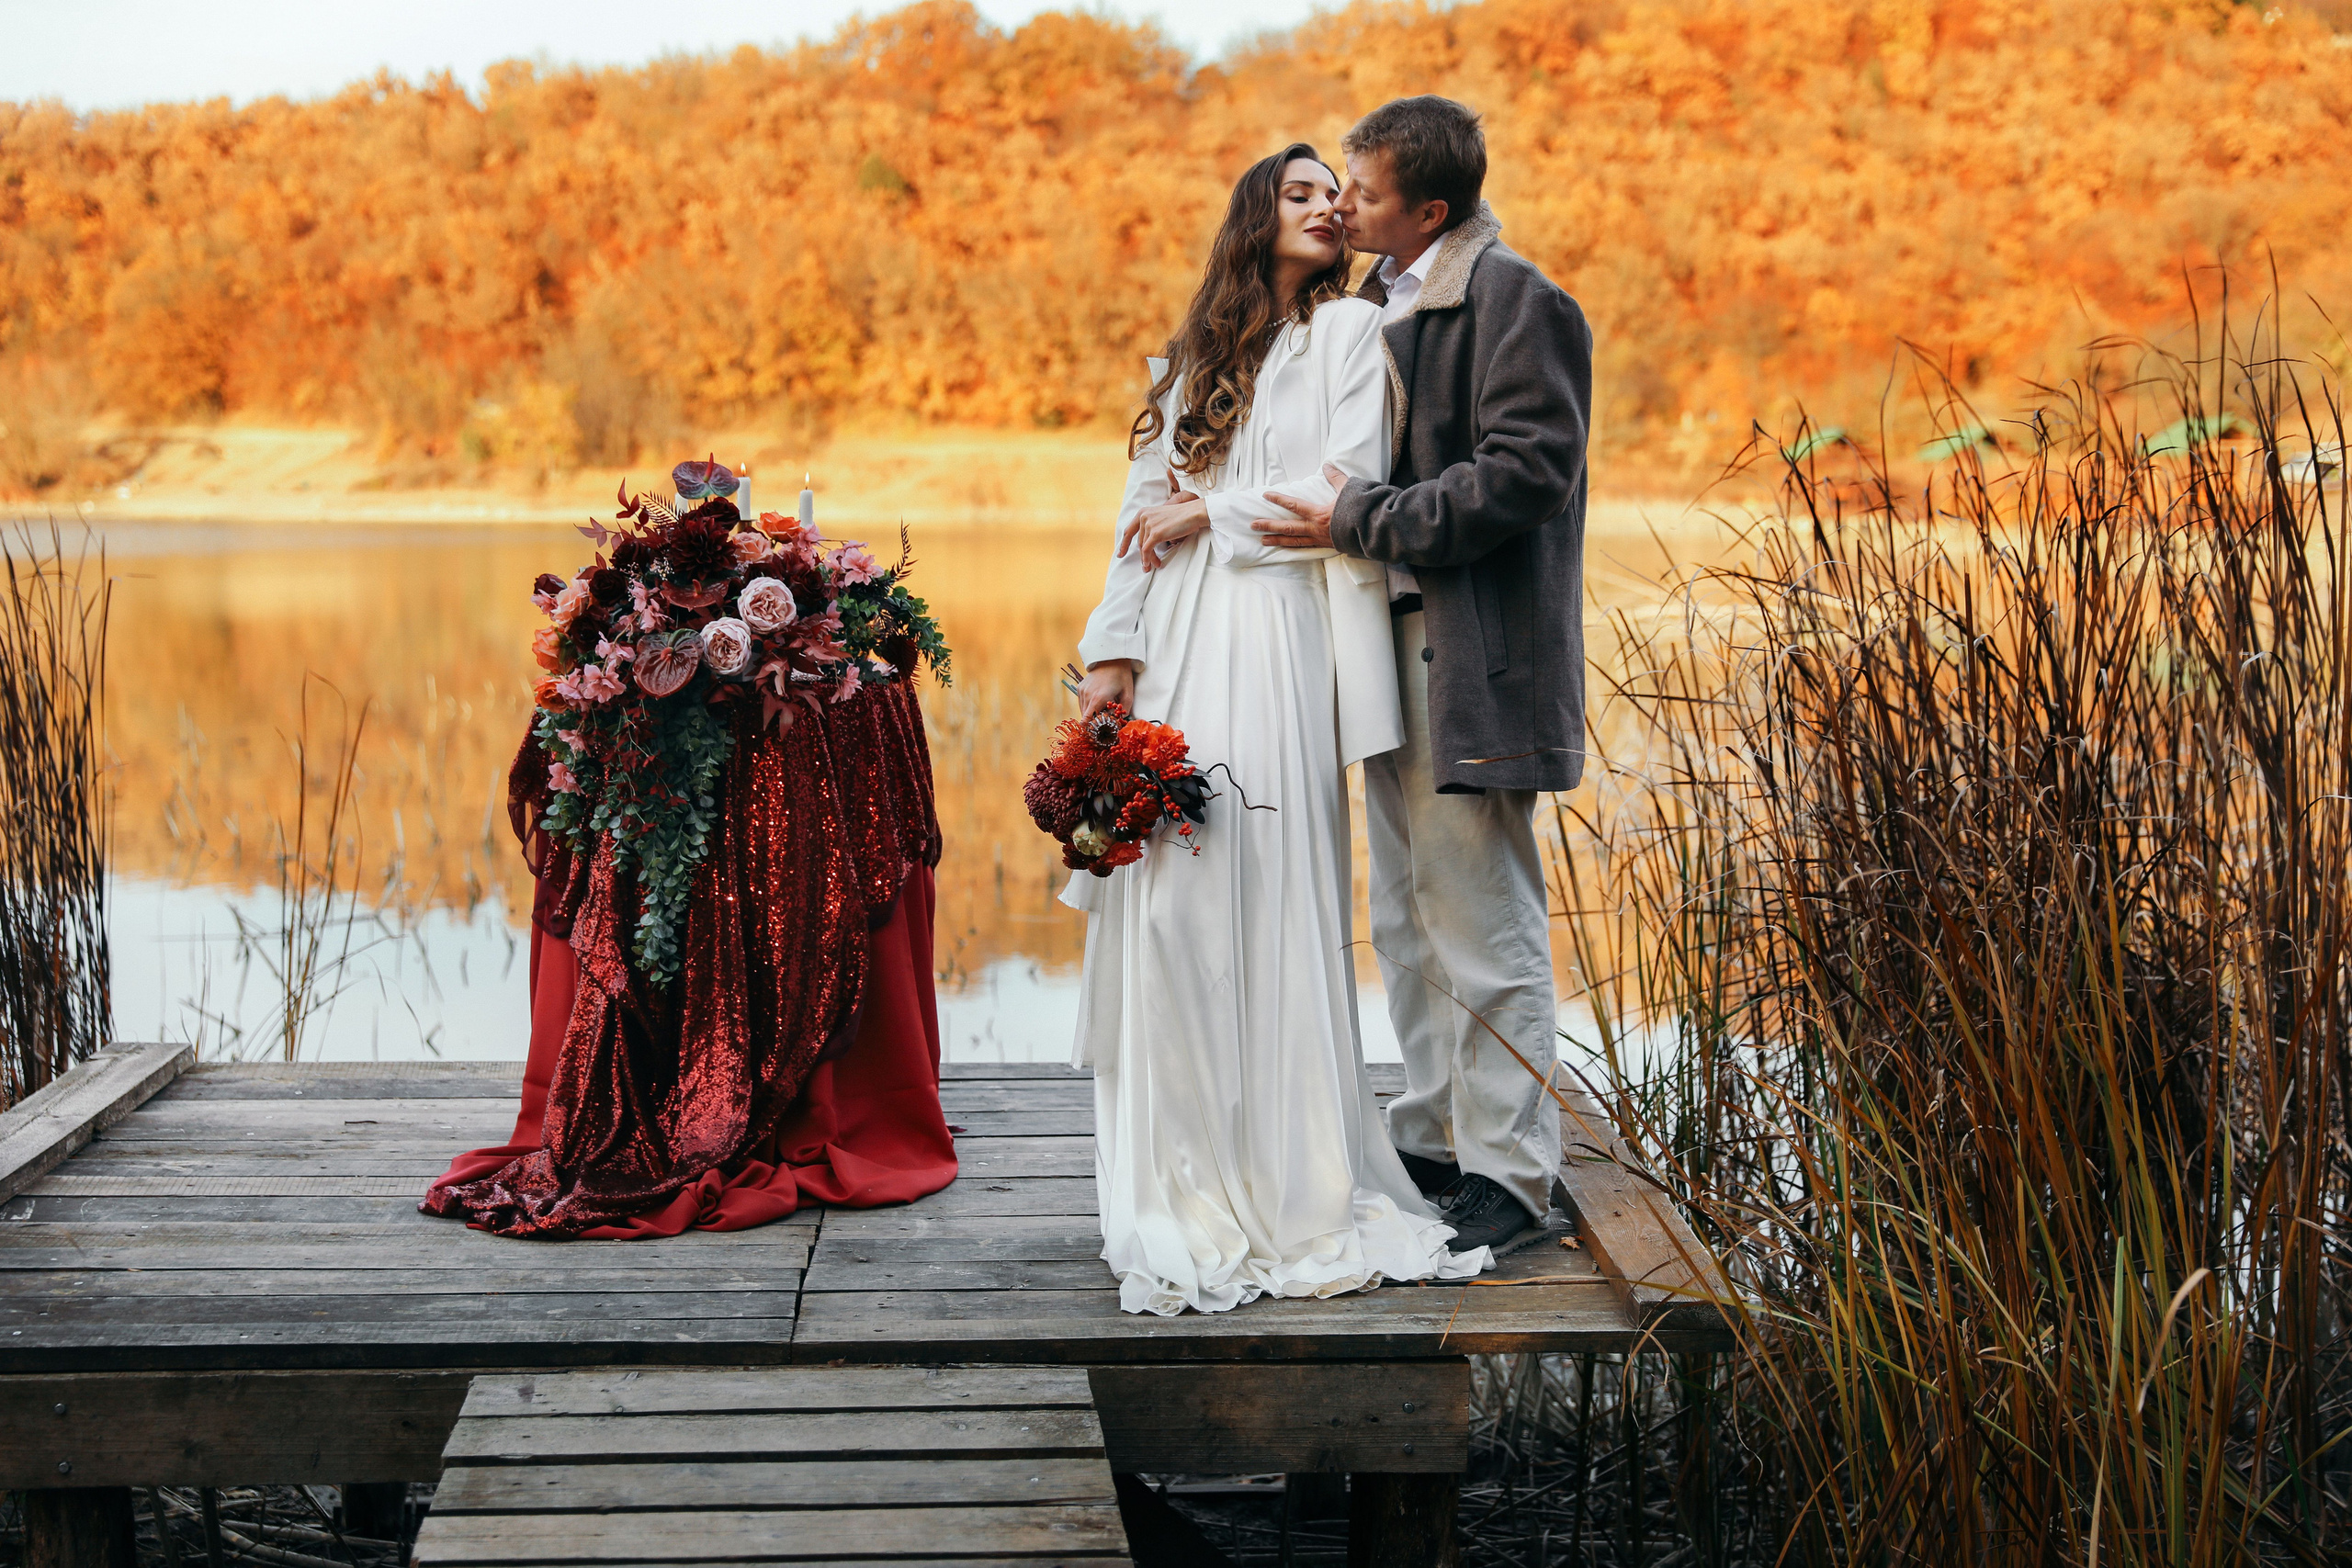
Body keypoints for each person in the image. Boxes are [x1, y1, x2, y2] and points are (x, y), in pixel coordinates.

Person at [1065, 141, 1488, 1316]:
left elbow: (1344, 482)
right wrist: (1111, 654)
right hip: (1178, 636)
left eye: (1331, 195)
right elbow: (1136, 520)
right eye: (1299, 194)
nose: (1326, 208)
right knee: (1170, 892)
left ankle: (1289, 1179)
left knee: (1257, 867)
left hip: (1279, 628)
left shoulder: (1352, 333)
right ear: (1255, 215)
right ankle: (1180, 1174)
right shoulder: (1192, 359)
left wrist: (1211, 512)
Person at [1250, 96, 1593, 1258]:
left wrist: (1362, 517)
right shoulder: (1368, 303)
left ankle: (1515, 1175)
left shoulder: (1517, 300)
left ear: (1429, 211)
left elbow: (1526, 475)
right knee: (1403, 913)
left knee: (1481, 919)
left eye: (1365, 192)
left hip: (1472, 654)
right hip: (1386, 648)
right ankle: (1437, 1135)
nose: (1343, 205)